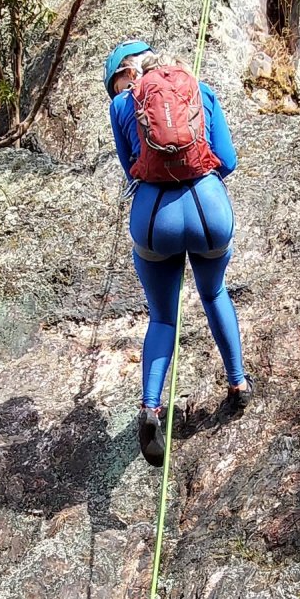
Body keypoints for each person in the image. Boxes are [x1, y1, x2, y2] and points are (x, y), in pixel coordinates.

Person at [104, 39, 253, 466]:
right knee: (213, 293)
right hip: (209, 209)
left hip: (155, 218)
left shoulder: (122, 105)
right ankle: (238, 384)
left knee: (163, 317)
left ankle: (150, 408)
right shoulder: (201, 91)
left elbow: (130, 168)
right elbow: (228, 160)